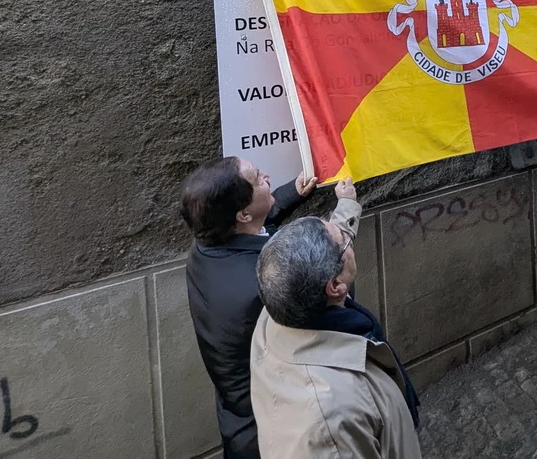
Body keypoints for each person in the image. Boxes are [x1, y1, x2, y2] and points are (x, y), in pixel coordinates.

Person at [180, 157, 360, 459]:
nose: (266, 174)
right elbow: (331, 277)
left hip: (239, 417)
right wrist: (347, 207)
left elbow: (257, 229)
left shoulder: (206, 247)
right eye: (256, 179)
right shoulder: (262, 283)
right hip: (275, 428)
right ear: (242, 212)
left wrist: (293, 192)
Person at [252, 216, 421, 459]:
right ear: (335, 286)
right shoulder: (329, 423)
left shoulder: (281, 309)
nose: (350, 243)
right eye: (345, 243)